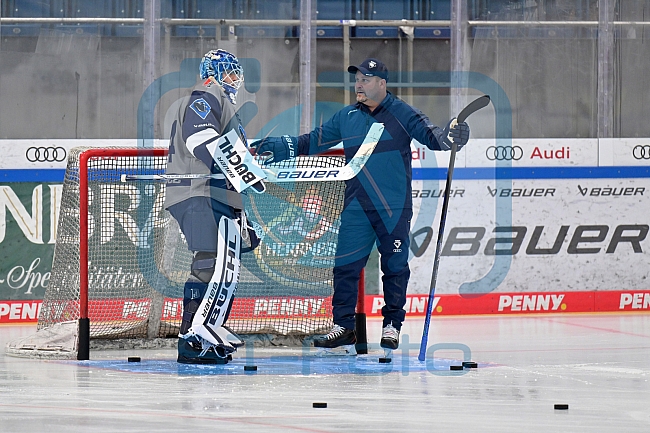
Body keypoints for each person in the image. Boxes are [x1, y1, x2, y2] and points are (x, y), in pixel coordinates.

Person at [250, 58, 470, 353]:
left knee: (394, 267)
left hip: (393, 208)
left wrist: (450, 137)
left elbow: (433, 137)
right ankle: (343, 326)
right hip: (355, 206)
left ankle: (392, 324)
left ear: (382, 83)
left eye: (366, 79)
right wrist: (284, 146)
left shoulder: (403, 113)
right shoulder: (347, 116)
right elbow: (316, 140)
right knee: (345, 266)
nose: (359, 84)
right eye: (357, 79)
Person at [164, 49, 263, 364]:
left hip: (217, 195)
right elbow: (200, 139)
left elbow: (230, 164)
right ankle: (191, 339)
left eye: (237, 74)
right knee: (209, 262)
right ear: (215, 73)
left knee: (224, 267)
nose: (235, 80)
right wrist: (245, 170)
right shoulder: (206, 96)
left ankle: (209, 331)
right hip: (199, 192)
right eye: (229, 73)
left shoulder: (222, 104)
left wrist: (243, 216)